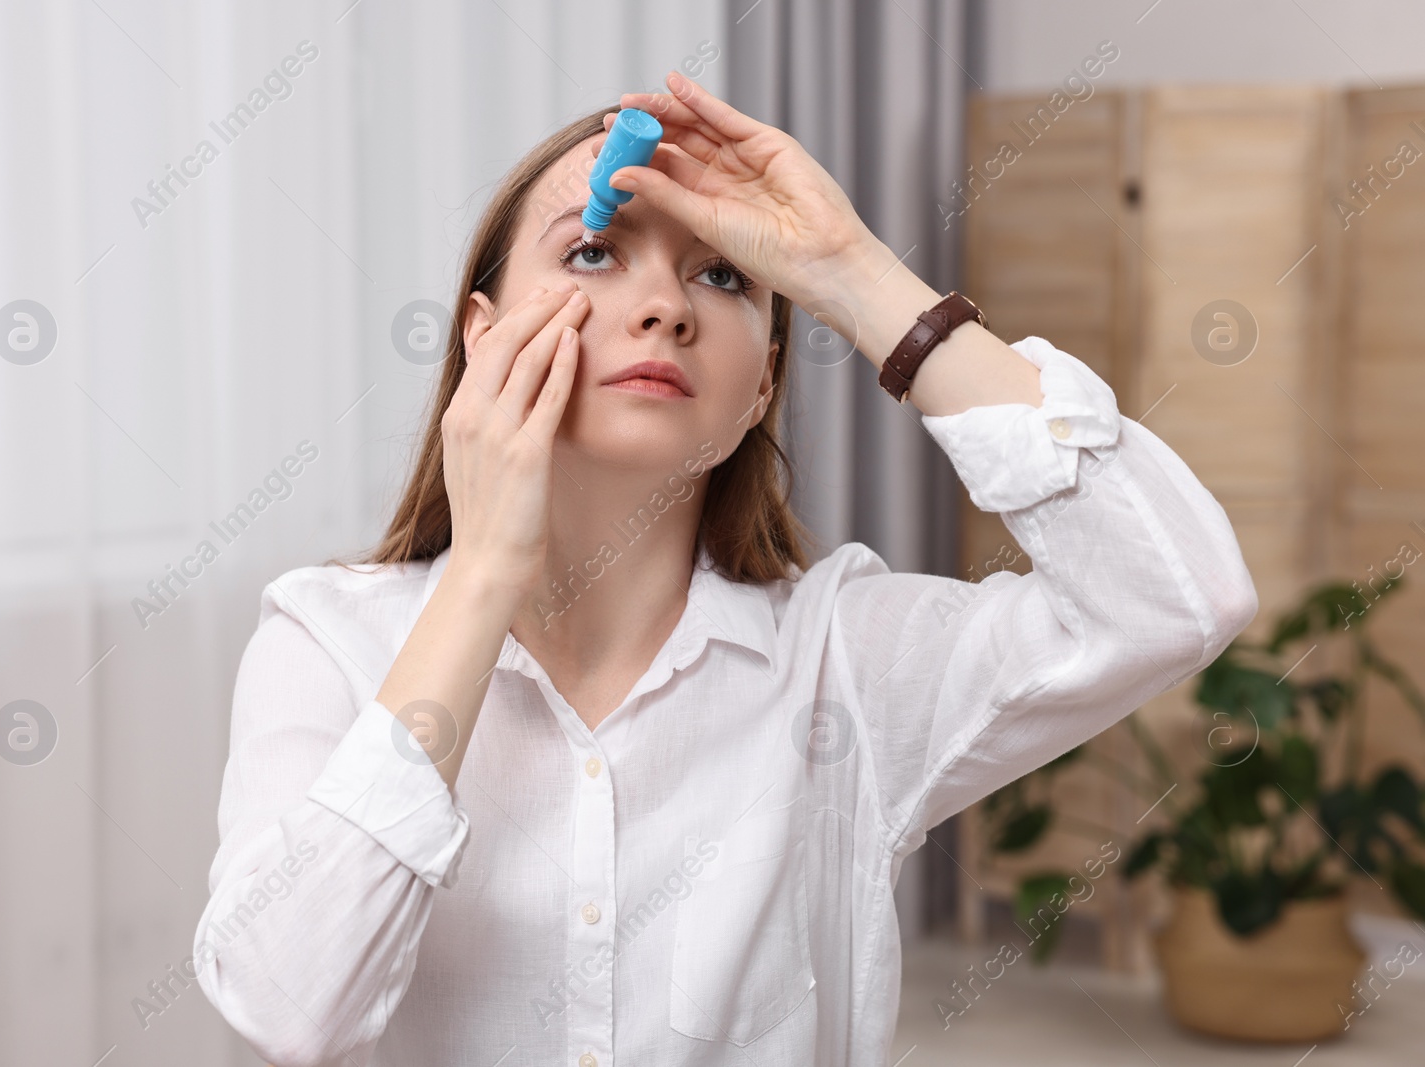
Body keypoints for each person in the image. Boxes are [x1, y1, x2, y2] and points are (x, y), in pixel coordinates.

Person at [192, 71, 1257, 1067]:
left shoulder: (846, 658)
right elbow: (290, 1004)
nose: (668, 306)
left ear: (760, 388)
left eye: (720, 274)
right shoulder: (324, 641)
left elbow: (1178, 598)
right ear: (483, 334)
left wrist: (857, 276)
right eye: (594, 253)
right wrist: (481, 576)